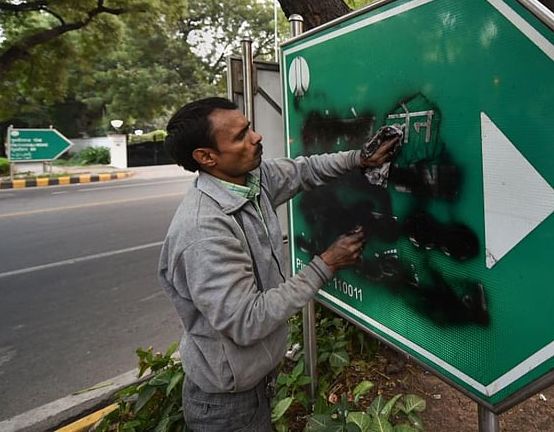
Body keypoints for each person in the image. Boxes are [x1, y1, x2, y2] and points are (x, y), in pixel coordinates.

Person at [158, 97, 398, 431]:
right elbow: (246, 320)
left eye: (250, 128)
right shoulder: (204, 232)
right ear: (206, 157)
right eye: (241, 136)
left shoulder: (249, 181)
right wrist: (326, 263)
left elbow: (305, 170)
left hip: (254, 383)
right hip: (228, 407)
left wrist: (359, 158)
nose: (256, 138)